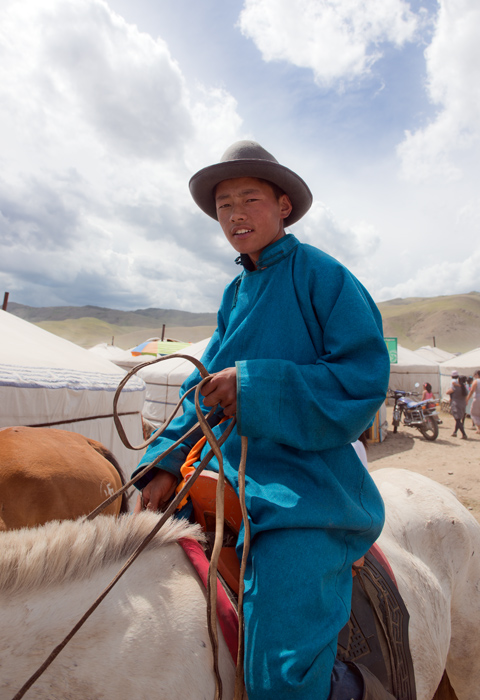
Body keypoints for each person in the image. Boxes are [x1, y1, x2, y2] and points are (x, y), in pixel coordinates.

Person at [132, 141, 392, 700]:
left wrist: (253, 385)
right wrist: (164, 462)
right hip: (223, 476)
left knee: (281, 679)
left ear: (283, 208)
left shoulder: (324, 276)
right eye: (225, 204)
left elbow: (364, 377)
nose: (236, 214)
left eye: (250, 199)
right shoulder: (235, 292)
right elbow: (201, 388)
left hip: (304, 488)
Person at [466, 370, 480, 435]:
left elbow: (471, 391)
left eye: (474, 375)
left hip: (477, 399)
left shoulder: (476, 381)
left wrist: (467, 399)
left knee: (473, 413)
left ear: (477, 374)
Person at [447, 374, 468, 439]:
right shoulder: (465, 388)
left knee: (458, 420)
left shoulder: (455, 387)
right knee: (458, 419)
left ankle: (464, 434)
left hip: (456, 404)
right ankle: (455, 432)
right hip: (462, 404)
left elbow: (447, 392)